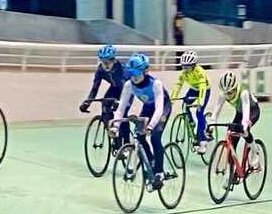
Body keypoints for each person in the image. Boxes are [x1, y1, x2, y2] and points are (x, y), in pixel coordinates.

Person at [111, 53, 172, 190]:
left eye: (137, 74)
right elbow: (121, 109)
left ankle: (159, 173)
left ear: (145, 72)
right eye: (131, 74)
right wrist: (115, 126)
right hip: (148, 107)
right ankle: (151, 161)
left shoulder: (156, 84)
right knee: (139, 135)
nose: (133, 78)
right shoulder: (128, 85)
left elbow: (159, 108)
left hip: (162, 108)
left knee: (155, 137)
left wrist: (151, 126)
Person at [208, 70, 262, 169]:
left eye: (229, 92)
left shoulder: (243, 93)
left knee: (245, 131)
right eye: (225, 93)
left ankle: (255, 150)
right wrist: (211, 124)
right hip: (240, 112)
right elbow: (216, 112)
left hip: (252, 111)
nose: (227, 95)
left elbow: (246, 110)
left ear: (235, 88)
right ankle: (231, 170)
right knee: (232, 140)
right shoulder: (223, 94)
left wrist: (245, 125)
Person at [80, 45, 129, 149]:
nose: (106, 65)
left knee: (122, 112)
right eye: (103, 61)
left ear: (114, 60)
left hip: (127, 90)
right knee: (105, 106)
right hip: (114, 88)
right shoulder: (100, 70)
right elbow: (95, 87)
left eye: (108, 61)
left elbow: (125, 89)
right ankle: (114, 137)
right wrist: (87, 102)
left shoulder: (121, 69)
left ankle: (126, 142)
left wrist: (120, 103)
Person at [170, 50, 211, 152]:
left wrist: (200, 102)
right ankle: (191, 122)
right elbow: (178, 86)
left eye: (187, 67)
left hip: (204, 90)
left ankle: (203, 141)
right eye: (183, 66)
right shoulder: (184, 73)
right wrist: (172, 99)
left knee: (199, 112)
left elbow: (202, 88)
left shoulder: (200, 71)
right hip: (193, 89)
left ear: (194, 65)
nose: (185, 69)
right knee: (185, 105)